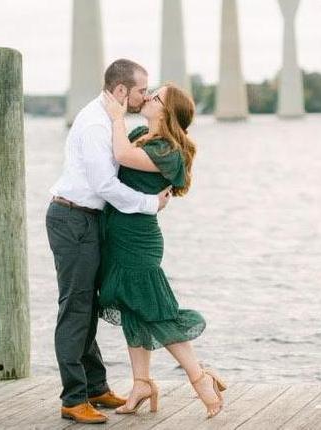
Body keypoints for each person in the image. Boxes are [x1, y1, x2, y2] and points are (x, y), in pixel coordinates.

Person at [45, 59, 172, 424]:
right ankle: (73, 399)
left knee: (88, 305)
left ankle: (95, 387)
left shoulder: (109, 119)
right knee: (75, 307)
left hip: (87, 220)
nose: (144, 96)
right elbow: (104, 185)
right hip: (73, 219)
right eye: (141, 91)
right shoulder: (95, 124)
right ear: (120, 91)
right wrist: (150, 204)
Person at [97, 83, 227, 419]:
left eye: (155, 95)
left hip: (139, 240)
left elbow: (122, 156)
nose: (148, 96)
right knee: (132, 309)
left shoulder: (168, 150)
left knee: (156, 311)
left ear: (166, 111)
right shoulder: (141, 134)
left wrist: (116, 117)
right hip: (118, 235)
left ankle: (200, 378)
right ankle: (141, 383)